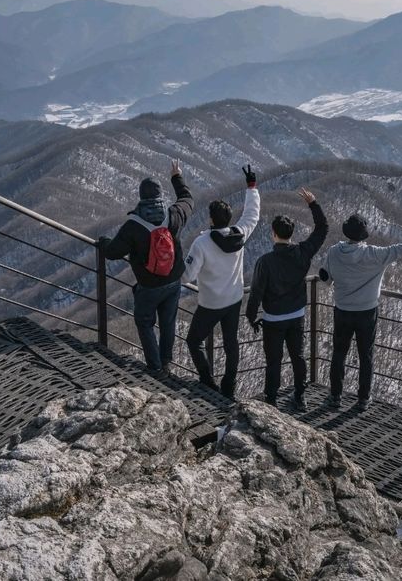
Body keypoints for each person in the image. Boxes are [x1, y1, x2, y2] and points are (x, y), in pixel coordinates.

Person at [319, 215, 402, 411]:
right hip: (367, 312)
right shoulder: (376, 255)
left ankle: (335, 396)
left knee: (338, 354)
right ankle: (363, 399)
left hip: (343, 310)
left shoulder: (334, 252)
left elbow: (326, 280)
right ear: (364, 235)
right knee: (366, 356)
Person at [98, 159, 193, 375]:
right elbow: (188, 199)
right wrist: (177, 176)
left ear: (141, 197)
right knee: (168, 323)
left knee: (144, 322)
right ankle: (166, 363)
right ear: (160, 196)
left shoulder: (133, 225)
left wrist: (103, 242)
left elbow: (112, 252)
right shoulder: (174, 215)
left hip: (148, 286)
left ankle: (155, 367)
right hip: (173, 281)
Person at [246, 187, 328, 411]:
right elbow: (322, 228)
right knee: (298, 357)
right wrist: (313, 204)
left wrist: (251, 316)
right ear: (292, 233)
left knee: (273, 361)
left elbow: (256, 292)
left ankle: (271, 400)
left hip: (273, 319)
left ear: (273, 233)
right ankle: (300, 396)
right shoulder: (303, 252)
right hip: (297, 315)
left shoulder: (266, 262)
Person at [184, 165, 261, 399]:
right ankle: (229, 387)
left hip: (210, 303)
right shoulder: (240, 233)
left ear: (210, 219)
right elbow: (252, 215)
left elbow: (188, 276)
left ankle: (208, 381)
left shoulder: (201, 243)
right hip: (234, 299)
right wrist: (252, 187)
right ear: (229, 219)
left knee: (194, 340)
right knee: (231, 344)